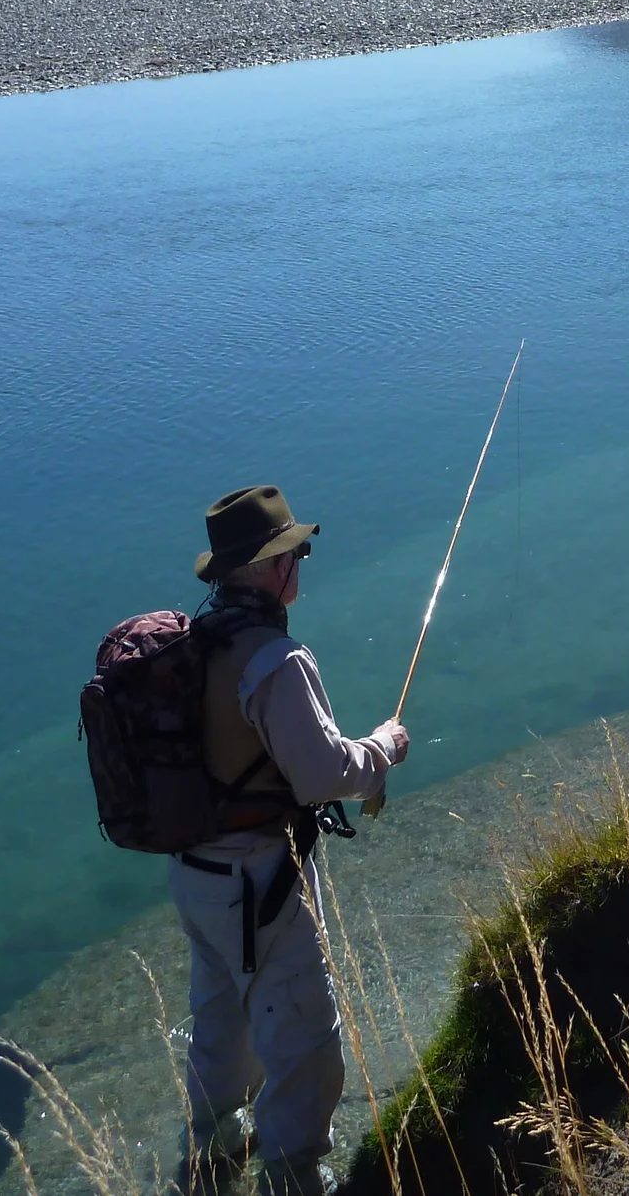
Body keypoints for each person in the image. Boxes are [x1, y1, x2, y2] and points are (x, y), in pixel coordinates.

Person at [175, 484, 407, 1195]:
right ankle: (294, 1175)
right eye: (296, 553)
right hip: (260, 884)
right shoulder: (276, 661)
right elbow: (323, 775)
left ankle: (212, 1151)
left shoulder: (192, 643)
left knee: (221, 1021)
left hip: (193, 872)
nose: (300, 563)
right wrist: (382, 749)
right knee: (304, 1034)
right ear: (273, 567)